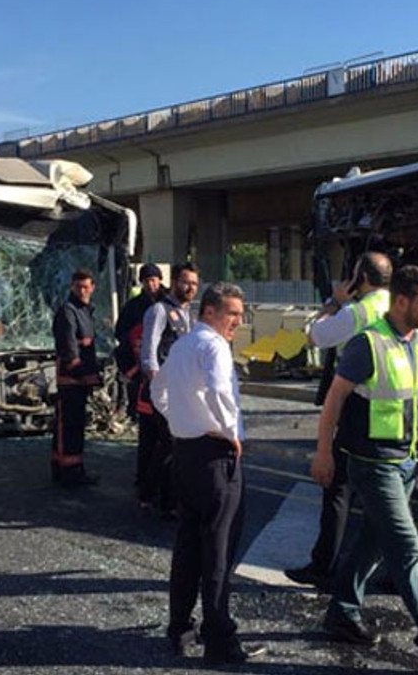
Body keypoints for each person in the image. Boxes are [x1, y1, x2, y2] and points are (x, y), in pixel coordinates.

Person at [312, 265, 418, 672]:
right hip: (373, 466)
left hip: (405, 462)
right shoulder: (367, 344)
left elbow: (414, 391)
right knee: (407, 549)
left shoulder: (417, 341)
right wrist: (323, 452)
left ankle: (342, 611)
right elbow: (334, 399)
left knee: (372, 542)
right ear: (402, 301)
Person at [151, 282, 265, 666]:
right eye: (232, 313)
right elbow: (219, 392)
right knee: (218, 551)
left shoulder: (182, 344)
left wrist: (179, 422)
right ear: (210, 312)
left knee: (187, 546)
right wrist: (230, 433)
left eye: (240, 313)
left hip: (186, 454)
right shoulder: (214, 346)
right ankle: (220, 640)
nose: (238, 320)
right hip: (216, 457)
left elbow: (157, 391)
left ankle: (180, 628)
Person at [285, 251, 392, 592]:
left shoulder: (360, 311)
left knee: (338, 490)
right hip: (393, 412)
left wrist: (334, 301)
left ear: (361, 280)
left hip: (359, 406)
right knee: (386, 496)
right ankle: (395, 570)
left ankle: (323, 566)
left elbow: (313, 335)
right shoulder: (397, 303)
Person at [137, 262, 199, 514]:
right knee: (172, 444)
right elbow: (149, 352)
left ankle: (149, 493)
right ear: (174, 282)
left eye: (194, 283)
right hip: (164, 391)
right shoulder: (159, 311)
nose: (190, 287)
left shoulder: (188, 315)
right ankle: (168, 503)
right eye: (186, 282)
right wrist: (156, 386)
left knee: (166, 446)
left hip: (181, 390)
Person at [115, 263, 164, 493]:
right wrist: (131, 371)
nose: (151, 284)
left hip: (168, 380)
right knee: (147, 434)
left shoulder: (169, 304)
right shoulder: (134, 308)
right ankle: (144, 481)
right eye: (147, 280)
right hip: (141, 378)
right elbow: (121, 338)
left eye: (154, 280)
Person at [51, 269, 103, 485]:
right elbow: (70, 348)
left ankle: (74, 469)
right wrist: (85, 373)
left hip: (81, 380)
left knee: (76, 426)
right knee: (67, 428)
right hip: (71, 380)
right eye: (78, 287)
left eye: (86, 287)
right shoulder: (68, 311)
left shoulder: (85, 312)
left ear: (92, 288)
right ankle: (66, 473)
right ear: (72, 287)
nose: (82, 291)